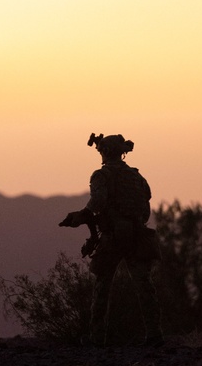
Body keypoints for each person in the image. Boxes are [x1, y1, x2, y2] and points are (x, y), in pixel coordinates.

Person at [60, 132, 163, 346]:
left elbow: (97, 202)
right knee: (144, 285)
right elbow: (145, 210)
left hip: (114, 237)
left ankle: (97, 338)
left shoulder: (101, 175)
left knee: (102, 285)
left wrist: (81, 216)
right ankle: (154, 335)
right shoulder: (137, 177)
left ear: (105, 152)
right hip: (137, 234)